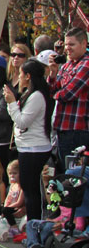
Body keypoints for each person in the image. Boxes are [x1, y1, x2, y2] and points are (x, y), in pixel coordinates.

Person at [5, 59, 54, 220]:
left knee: (31, 190)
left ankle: (35, 226)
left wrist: (11, 103)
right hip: (27, 148)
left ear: (28, 76)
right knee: (28, 188)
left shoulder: (37, 96)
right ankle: (33, 226)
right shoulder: (30, 94)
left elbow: (22, 121)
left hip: (34, 149)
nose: (18, 77)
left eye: (20, 74)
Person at [47, 27, 89, 163]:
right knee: (63, 172)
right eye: (66, 44)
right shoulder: (66, 65)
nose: (67, 48)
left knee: (74, 174)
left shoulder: (86, 64)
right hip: (61, 128)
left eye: (72, 44)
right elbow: (51, 90)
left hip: (77, 130)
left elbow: (68, 93)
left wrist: (56, 93)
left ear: (84, 44)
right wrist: (53, 74)